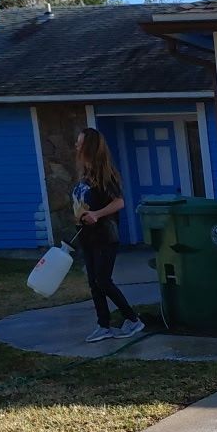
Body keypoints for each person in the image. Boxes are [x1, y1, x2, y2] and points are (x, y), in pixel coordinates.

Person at [71, 128, 144, 343]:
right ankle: (103, 325)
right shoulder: (85, 174)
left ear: (90, 147)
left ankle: (132, 319)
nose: (76, 146)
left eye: (80, 143)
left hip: (104, 236)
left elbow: (119, 202)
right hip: (87, 237)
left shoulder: (105, 174)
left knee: (103, 280)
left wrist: (96, 214)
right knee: (94, 283)